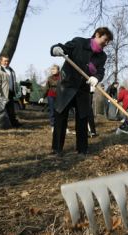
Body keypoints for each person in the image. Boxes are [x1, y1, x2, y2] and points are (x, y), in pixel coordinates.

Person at [50, 27, 113, 156]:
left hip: (83, 90)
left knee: (82, 118)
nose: (106, 44)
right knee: (60, 117)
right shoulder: (79, 42)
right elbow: (63, 48)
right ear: (97, 35)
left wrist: (96, 77)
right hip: (67, 86)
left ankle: (82, 149)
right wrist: (56, 49)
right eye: (105, 40)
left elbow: (101, 70)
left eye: (108, 42)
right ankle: (57, 149)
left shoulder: (102, 56)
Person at [0, 55, 22, 127]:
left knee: (11, 109)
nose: (6, 62)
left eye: (7, 61)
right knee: (2, 110)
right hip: (3, 93)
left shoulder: (11, 70)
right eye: (5, 61)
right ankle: (1, 124)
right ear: (1, 61)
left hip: (11, 92)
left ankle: (13, 123)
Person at [38, 64, 61, 131]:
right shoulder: (49, 78)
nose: (52, 70)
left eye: (54, 69)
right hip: (51, 96)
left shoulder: (62, 77)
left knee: (59, 111)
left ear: (58, 70)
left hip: (59, 96)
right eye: (52, 69)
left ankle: (61, 125)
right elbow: (46, 88)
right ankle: (53, 125)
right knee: (52, 111)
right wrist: (42, 97)